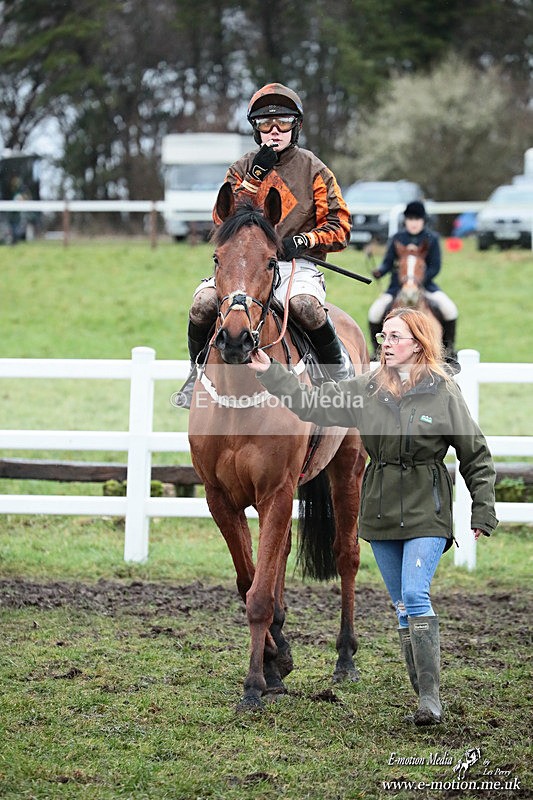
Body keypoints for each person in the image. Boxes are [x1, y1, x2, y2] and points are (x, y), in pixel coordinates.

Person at [248, 307, 498, 725]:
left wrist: (483, 508)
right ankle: (423, 693)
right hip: (381, 512)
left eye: (395, 337)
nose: (385, 344)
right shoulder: (366, 388)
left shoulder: (444, 391)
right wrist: (270, 371)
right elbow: (313, 404)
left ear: (418, 344)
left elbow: (475, 453)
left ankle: (429, 700)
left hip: (427, 508)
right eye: (383, 337)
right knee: (402, 605)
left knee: (416, 595)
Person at [180, 82, 352, 405]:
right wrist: (252, 180)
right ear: (256, 130)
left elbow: (341, 227)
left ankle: (338, 374)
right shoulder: (241, 169)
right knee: (202, 304)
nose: (274, 131)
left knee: (306, 307)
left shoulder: (315, 170)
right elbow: (222, 223)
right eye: (265, 124)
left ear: (296, 127)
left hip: (295, 265)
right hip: (243, 265)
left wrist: (304, 239)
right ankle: (195, 373)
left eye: (283, 123)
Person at [368, 201, 458, 359]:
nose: (414, 223)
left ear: (423, 220)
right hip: (397, 287)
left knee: (449, 309)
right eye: (410, 219)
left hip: (426, 286)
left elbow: (435, 266)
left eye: (417, 219)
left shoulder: (432, 238)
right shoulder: (397, 238)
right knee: (374, 312)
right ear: (406, 221)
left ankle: (449, 350)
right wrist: (380, 272)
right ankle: (377, 354)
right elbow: (388, 263)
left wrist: (418, 281)